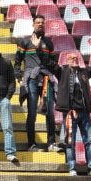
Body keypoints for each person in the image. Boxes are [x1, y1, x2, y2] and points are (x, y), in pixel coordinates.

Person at [38, 47, 91, 176]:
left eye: (76, 58)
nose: (74, 60)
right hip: (70, 114)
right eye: (71, 58)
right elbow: (47, 62)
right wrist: (38, 48)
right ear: (66, 60)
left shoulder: (84, 72)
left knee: (88, 141)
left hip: (84, 113)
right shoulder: (61, 71)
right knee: (70, 142)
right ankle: (72, 168)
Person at [15, 15, 59, 152]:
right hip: (32, 80)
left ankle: (51, 143)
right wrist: (18, 75)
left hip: (46, 78)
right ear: (33, 25)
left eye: (42, 23)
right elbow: (17, 61)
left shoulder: (49, 43)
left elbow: (53, 63)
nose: (40, 25)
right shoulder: (25, 42)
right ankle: (31, 145)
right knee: (32, 112)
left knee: (50, 113)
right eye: (37, 22)